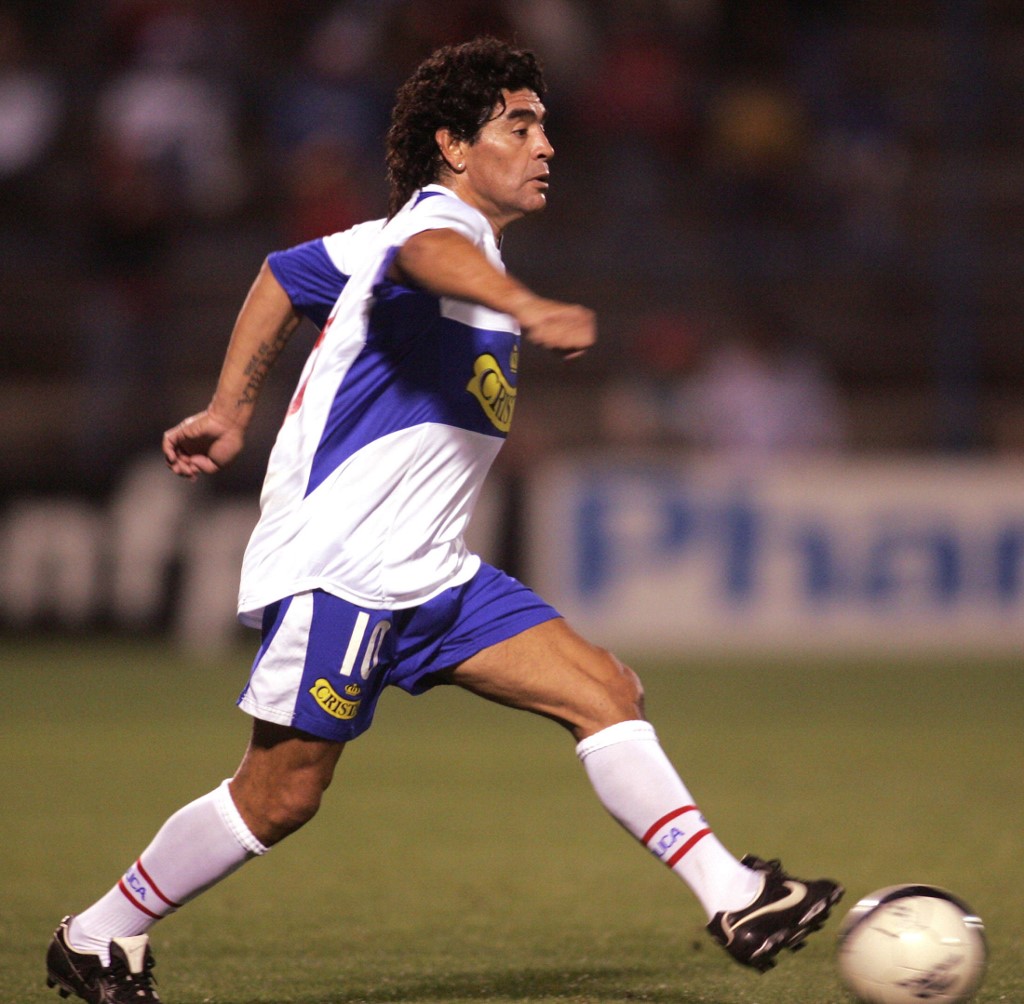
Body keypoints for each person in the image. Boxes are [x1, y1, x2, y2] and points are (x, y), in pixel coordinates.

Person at [46, 37, 842, 1004]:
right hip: (345, 565)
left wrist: (229, 408)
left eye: (544, 125)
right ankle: (97, 933)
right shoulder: (437, 226)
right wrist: (526, 307)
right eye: (520, 125)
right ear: (454, 147)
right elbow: (427, 254)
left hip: (429, 570)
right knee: (280, 795)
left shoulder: (384, 244)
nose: (546, 144)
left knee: (604, 689)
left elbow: (282, 275)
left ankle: (735, 896)